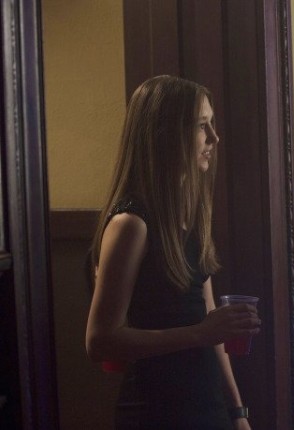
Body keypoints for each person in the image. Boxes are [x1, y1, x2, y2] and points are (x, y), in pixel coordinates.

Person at [86, 75, 260, 429]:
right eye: (201, 125)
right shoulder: (130, 223)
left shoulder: (189, 215)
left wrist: (237, 411)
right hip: (156, 409)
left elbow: (209, 317)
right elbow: (100, 341)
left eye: (212, 123)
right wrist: (199, 333)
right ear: (164, 135)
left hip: (206, 404)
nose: (214, 138)